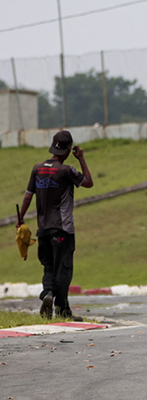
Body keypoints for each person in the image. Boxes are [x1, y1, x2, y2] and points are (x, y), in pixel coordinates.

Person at [19, 131, 94, 320]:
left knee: (48, 266)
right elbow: (88, 183)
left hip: (42, 229)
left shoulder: (37, 169)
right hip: (62, 229)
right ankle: (63, 311)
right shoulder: (66, 171)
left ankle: (48, 294)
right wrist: (82, 159)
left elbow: (28, 196)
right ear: (70, 149)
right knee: (64, 269)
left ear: (53, 146)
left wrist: (20, 219)